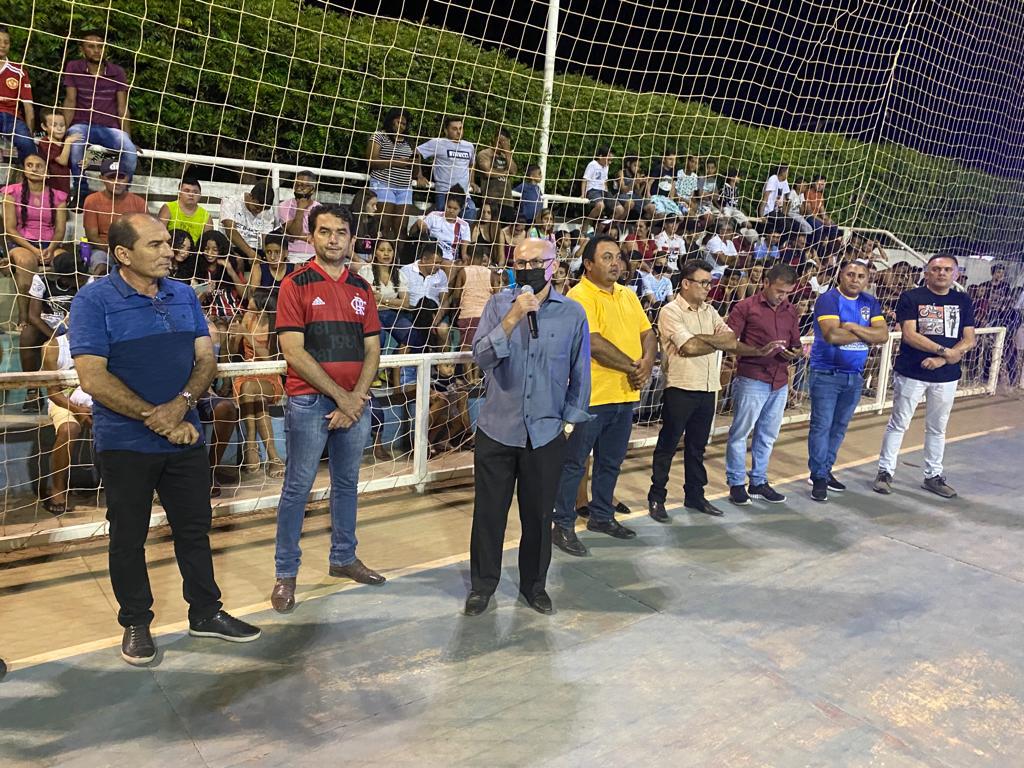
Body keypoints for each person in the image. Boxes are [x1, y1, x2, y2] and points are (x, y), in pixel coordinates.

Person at [71, 213, 260, 666]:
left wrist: (180, 407)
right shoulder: (92, 301)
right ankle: (137, 622)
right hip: (125, 443)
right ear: (122, 254)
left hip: (185, 435)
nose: (168, 252)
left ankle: (206, 612)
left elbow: (205, 359)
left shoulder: (183, 295)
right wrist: (158, 418)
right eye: (154, 245)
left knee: (194, 528)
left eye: (167, 243)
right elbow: (93, 378)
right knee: (128, 536)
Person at [464, 238, 591, 616]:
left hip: (546, 433)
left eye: (537, 260)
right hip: (498, 429)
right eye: (521, 261)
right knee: (489, 514)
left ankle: (534, 586)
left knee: (538, 516)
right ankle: (483, 586)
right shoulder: (499, 305)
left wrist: (568, 424)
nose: (528, 267)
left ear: (553, 265)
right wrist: (513, 317)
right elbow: (481, 356)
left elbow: (580, 373)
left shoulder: (573, 313)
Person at [270, 203, 386, 613]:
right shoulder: (295, 283)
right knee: (297, 489)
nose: (333, 238)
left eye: (341, 231)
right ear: (312, 236)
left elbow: (373, 348)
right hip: (309, 401)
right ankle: (286, 574)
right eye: (325, 231)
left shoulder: (362, 287)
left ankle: (343, 558)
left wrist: (353, 398)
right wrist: (344, 397)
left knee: (347, 484)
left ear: (351, 238)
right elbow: (293, 352)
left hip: (353, 402)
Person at [551, 235, 656, 555]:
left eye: (618, 258)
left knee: (611, 462)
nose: (616, 263)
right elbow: (593, 342)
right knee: (574, 464)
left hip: (624, 394)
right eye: (607, 257)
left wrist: (648, 363)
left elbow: (648, 333)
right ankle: (563, 526)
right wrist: (633, 368)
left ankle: (600, 516)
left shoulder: (627, 294)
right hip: (590, 396)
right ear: (588, 264)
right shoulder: (579, 295)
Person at [873, 255, 976, 498]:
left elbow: (969, 338)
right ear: (927, 272)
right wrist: (941, 350)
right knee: (899, 423)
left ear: (955, 274)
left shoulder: (962, 300)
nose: (942, 273)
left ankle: (933, 475)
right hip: (912, 371)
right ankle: (885, 471)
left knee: (938, 428)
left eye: (947, 269)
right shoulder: (911, 297)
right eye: (937, 269)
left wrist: (943, 359)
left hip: (946, 375)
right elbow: (909, 334)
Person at [647, 260, 738, 521]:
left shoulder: (710, 311)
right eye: (703, 283)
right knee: (667, 445)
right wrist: (712, 342)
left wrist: (701, 339)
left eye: (710, 283)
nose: (708, 288)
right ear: (686, 284)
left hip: (708, 387)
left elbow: (731, 340)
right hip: (681, 386)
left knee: (697, 447)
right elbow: (688, 347)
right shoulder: (670, 311)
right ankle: (657, 497)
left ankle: (695, 495)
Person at [807, 259, 889, 501]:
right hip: (826, 374)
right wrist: (866, 333)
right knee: (821, 427)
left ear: (867, 279)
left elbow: (883, 335)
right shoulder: (829, 299)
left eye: (860, 276)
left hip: (854, 376)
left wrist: (851, 326)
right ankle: (818, 477)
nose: (855, 279)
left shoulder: (870, 302)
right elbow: (832, 335)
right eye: (850, 274)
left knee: (839, 427)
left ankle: (825, 469)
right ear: (840, 276)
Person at [725, 263, 802, 506]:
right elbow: (729, 341)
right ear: (766, 283)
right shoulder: (745, 307)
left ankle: (758, 481)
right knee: (740, 433)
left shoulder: (790, 310)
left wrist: (795, 352)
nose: (783, 296)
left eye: (787, 292)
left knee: (768, 434)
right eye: (779, 290)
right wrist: (758, 351)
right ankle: (737, 483)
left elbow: (797, 343)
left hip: (779, 379)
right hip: (752, 377)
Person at [62, 29, 137, 196]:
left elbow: (122, 107)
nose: (96, 50)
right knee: (75, 145)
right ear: (82, 49)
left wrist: (127, 137)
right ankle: (81, 192)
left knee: (130, 150)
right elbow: (70, 101)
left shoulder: (117, 72)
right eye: (91, 46)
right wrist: (62, 134)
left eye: (100, 46)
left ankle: (123, 192)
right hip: (81, 124)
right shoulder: (74, 67)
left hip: (109, 128)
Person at [3, 153, 70, 328]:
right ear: (24, 170)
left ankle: (59, 313)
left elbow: (60, 229)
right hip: (21, 243)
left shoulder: (58, 196)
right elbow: (9, 229)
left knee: (67, 262)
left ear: (47, 172)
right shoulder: (12, 192)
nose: (34, 169)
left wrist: (51, 248)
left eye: (39, 166)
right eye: (30, 165)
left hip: (50, 244)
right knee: (26, 261)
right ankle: (24, 318)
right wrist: (34, 250)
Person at [229, 288, 286, 478]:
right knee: (251, 390)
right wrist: (234, 337)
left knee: (253, 389)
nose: (248, 300)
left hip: (269, 374)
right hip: (247, 373)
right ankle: (272, 456)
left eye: (252, 298)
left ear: (262, 302)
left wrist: (247, 334)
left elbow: (270, 358)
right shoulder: (247, 317)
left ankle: (251, 446)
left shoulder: (277, 322)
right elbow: (233, 352)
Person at [82, 157, 147, 265]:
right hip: (103, 249)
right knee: (99, 261)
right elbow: (92, 236)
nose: (117, 182)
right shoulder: (92, 200)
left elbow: (145, 233)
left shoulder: (139, 202)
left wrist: (131, 253)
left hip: (133, 250)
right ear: (102, 178)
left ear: (128, 178)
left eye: (121, 177)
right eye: (111, 177)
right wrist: (115, 253)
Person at [417, 115, 479, 222]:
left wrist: (472, 181)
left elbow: (472, 164)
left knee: (471, 213)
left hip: (463, 194)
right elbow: (417, 152)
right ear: (446, 130)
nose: (459, 132)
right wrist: (419, 175)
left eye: (460, 128)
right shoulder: (437, 143)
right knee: (443, 224)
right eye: (454, 129)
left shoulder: (469, 146)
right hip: (444, 192)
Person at [368, 108, 417, 242]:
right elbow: (371, 160)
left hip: (404, 187)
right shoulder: (379, 136)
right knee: (383, 225)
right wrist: (396, 163)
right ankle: (377, 259)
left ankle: (398, 260)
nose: (400, 126)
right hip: (383, 182)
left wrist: (419, 175)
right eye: (397, 122)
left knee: (401, 228)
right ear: (390, 121)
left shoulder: (409, 141)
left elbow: (415, 160)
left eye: (403, 124)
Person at [219, 179, 280, 267]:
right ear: (251, 196)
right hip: (231, 247)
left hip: (256, 250)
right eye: (257, 207)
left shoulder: (267, 210)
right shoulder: (230, 201)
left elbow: (265, 238)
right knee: (237, 260)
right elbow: (231, 232)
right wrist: (250, 253)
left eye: (262, 209)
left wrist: (268, 255)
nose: (259, 211)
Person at [0, 26, 38, 163]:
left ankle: (26, 182)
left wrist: (30, 133)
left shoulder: (18, 71)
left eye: (6, 42)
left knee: (27, 145)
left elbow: (28, 106)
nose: (3, 45)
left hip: (12, 118)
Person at [415, 187, 471, 263]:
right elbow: (415, 231)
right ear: (445, 204)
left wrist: (464, 260)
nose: (451, 211)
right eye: (449, 207)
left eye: (455, 209)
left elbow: (464, 253)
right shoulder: (434, 216)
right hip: (431, 258)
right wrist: (419, 222)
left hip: (450, 261)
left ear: (461, 209)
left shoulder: (464, 226)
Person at [476, 127, 518, 218]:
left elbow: (513, 171)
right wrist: (505, 173)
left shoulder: (506, 156)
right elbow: (488, 172)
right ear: (493, 139)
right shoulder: (484, 154)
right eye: (499, 141)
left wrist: (507, 152)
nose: (501, 144)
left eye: (504, 142)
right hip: (490, 201)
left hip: (507, 202)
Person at [158, 177, 213, 243]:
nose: (191, 194)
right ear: (179, 193)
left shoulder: (206, 216)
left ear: (200, 195)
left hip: (194, 251)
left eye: (195, 192)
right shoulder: (168, 208)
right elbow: (159, 234)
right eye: (187, 191)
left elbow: (207, 242)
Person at [35, 110, 75, 195]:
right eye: (54, 125)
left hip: (64, 183)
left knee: (63, 203)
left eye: (62, 125)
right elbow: (62, 161)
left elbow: (70, 162)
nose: (59, 129)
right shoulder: (45, 142)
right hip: (50, 184)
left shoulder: (65, 142)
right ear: (44, 127)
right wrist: (68, 143)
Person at [581, 146, 623, 224]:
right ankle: (586, 223)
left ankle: (607, 226)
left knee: (620, 210)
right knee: (600, 206)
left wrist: (607, 192)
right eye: (608, 160)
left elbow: (605, 181)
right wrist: (583, 194)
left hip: (603, 191)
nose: (610, 162)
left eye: (611, 160)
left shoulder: (606, 166)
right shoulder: (592, 164)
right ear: (600, 157)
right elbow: (585, 180)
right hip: (593, 190)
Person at [759, 164, 791, 233]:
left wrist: (784, 214)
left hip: (777, 212)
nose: (788, 174)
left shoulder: (785, 181)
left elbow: (785, 199)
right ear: (782, 172)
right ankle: (775, 239)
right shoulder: (773, 179)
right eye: (787, 172)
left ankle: (778, 241)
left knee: (794, 224)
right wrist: (761, 215)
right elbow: (765, 197)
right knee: (786, 225)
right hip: (769, 212)